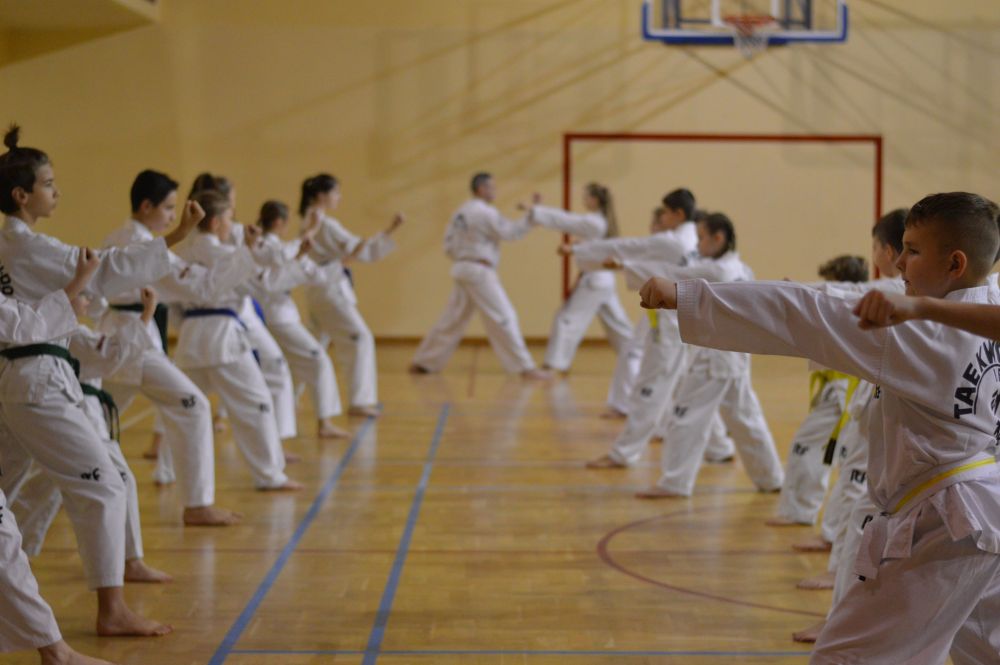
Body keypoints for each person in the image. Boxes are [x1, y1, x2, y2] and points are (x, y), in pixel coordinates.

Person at [639, 192, 1000, 664]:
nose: (898, 263)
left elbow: (802, 314)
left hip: (943, 527)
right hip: (984, 517)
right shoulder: (987, 301)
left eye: (912, 250)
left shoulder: (919, 334)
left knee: (846, 658)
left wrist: (688, 295)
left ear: (955, 264)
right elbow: (826, 299)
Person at [0, 124, 178, 636]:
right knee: (103, 485)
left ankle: (23, 578)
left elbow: (82, 288)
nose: (56, 192)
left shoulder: (12, 247)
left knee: (17, 490)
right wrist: (175, 239)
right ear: (21, 195)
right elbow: (101, 271)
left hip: (25, 376)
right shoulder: (29, 246)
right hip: (37, 379)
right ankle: (111, 610)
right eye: (48, 183)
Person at [101, 169, 244, 526]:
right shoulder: (144, 246)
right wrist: (245, 258)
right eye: (167, 208)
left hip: (119, 334)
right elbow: (198, 287)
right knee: (193, 406)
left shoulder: (117, 236)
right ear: (146, 206)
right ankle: (197, 505)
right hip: (134, 338)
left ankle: (44, 486)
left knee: (95, 420)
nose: (172, 216)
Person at [13, 288, 171, 584]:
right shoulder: (71, 333)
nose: (87, 302)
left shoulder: (64, 330)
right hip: (78, 409)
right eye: (82, 296)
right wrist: (148, 313)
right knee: (119, 478)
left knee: (45, 485)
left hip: (73, 406)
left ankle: (15, 547)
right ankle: (130, 561)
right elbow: (113, 354)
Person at [627, 213, 783, 498]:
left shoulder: (717, 271)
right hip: (736, 356)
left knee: (685, 417)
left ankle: (674, 482)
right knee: (746, 419)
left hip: (716, 359)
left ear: (718, 238)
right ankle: (770, 477)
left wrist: (623, 264)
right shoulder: (742, 268)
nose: (697, 244)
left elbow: (672, 274)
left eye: (701, 238)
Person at [173, 189, 301, 491]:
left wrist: (185, 325)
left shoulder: (181, 255)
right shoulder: (229, 255)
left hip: (190, 337)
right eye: (230, 218)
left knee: (182, 409)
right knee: (255, 403)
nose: (233, 224)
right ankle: (270, 475)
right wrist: (253, 250)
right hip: (223, 337)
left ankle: (165, 471)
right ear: (216, 222)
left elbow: (172, 302)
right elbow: (262, 286)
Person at [577, 189, 702, 468]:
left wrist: (579, 252)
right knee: (689, 384)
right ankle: (719, 447)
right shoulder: (694, 240)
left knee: (651, 387)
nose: (663, 217)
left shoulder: (674, 241)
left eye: (666, 212)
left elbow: (631, 246)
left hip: (671, 325)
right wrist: (623, 265)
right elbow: (660, 267)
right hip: (686, 321)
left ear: (678, 214)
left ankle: (624, 452)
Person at [410, 172, 548, 379]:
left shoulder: (460, 212)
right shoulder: (485, 212)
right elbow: (510, 232)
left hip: (463, 268)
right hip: (479, 271)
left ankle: (424, 362)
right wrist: (532, 214)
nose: (495, 190)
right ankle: (524, 367)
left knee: (452, 320)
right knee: (504, 317)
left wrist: (463, 256)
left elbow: (448, 245)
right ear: (481, 189)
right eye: (492, 187)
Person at [302, 173, 405, 415]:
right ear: (321, 195)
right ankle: (359, 401)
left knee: (310, 348)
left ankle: (289, 398)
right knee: (360, 338)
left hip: (318, 290)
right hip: (329, 291)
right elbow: (357, 248)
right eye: (335, 192)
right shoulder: (325, 224)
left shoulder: (310, 220)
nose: (339, 197)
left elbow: (350, 254)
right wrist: (390, 229)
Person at [255, 200, 349, 438]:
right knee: (318, 360)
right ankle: (324, 422)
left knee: (281, 369)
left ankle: (295, 420)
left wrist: (312, 257)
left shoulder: (281, 247)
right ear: (279, 222)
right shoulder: (266, 246)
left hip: (276, 315)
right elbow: (278, 271)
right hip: (277, 317)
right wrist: (309, 234)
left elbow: (312, 273)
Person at [527, 183, 632, 372]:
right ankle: (638, 355)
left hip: (595, 282)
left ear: (595, 200)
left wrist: (537, 211)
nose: (584, 200)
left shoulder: (594, 222)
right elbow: (594, 245)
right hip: (603, 281)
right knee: (618, 325)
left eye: (587, 196)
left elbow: (565, 220)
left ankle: (554, 364)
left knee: (566, 319)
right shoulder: (601, 222)